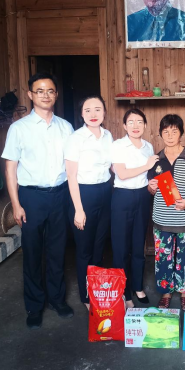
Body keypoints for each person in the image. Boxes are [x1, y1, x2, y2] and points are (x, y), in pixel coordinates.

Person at [2, 72, 74, 329]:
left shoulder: (66, 127)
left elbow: (73, 165)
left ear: (56, 95)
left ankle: (57, 299)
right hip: (31, 197)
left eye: (50, 90)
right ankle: (34, 305)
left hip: (60, 195)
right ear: (31, 94)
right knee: (32, 252)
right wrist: (16, 204)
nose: (46, 95)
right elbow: (10, 169)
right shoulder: (18, 128)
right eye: (40, 90)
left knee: (57, 251)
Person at [147, 114, 185, 310]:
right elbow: (151, 189)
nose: (170, 135)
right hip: (162, 219)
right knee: (163, 258)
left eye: (174, 131)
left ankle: (184, 292)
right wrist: (151, 188)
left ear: (181, 133)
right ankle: (165, 292)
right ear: (160, 134)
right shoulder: (156, 160)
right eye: (166, 132)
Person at [64, 95, 113, 310]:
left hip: (105, 192)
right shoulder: (76, 138)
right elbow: (71, 175)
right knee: (84, 248)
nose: (93, 114)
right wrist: (78, 209)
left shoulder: (108, 135)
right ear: (81, 114)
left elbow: (112, 167)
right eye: (88, 110)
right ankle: (86, 297)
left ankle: (96, 288)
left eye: (98, 109)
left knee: (99, 246)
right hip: (83, 195)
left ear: (104, 112)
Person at [110, 108, 159, 308]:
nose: (135, 126)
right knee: (121, 247)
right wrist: (146, 166)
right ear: (124, 126)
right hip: (122, 197)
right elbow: (121, 173)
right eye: (131, 122)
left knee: (139, 245)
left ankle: (138, 286)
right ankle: (124, 292)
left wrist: (152, 184)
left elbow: (150, 175)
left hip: (143, 196)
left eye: (139, 122)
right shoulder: (118, 145)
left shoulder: (148, 146)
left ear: (145, 125)